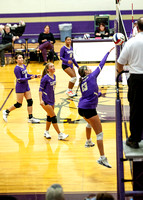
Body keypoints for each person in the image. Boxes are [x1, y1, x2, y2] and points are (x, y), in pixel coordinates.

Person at [78, 47, 114, 168]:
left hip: (81, 108)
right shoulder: (92, 76)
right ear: (86, 72)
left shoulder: (82, 80)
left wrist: (98, 94)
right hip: (89, 108)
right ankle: (102, 158)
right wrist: (108, 53)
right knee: (99, 134)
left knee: (90, 123)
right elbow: (101, 64)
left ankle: (88, 142)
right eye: (88, 68)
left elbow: (88, 93)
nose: (90, 68)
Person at [117, 17, 143, 149]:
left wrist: (122, 74)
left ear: (137, 28)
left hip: (136, 79)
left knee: (136, 109)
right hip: (137, 78)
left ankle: (134, 140)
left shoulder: (131, 42)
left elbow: (120, 63)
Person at [3, 54, 40, 123]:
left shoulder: (23, 66)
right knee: (19, 104)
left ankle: (30, 118)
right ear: (16, 60)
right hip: (20, 87)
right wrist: (30, 78)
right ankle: (6, 111)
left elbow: (26, 75)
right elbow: (19, 79)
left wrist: (35, 76)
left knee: (30, 101)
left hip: (26, 86)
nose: (21, 59)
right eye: (19, 58)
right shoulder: (16, 68)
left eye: (22, 58)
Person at [39, 62, 69, 140]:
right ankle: (59, 134)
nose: (53, 67)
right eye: (51, 67)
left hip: (51, 99)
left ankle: (46, 131)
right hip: (45, 100)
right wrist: (40, 100)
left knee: (49, 116)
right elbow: (40, 90)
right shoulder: (45, 78)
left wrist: (53, 97)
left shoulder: (54, 76)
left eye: (53, 66)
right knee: (53, 116)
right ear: (48, 69)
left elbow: (52, 89)